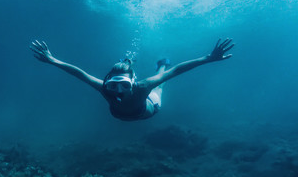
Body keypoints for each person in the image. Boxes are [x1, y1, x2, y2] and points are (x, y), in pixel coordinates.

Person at [30, 38, 234, 121]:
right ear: (107, 82)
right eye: (113, 85)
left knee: (160, 83)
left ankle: (162, 62)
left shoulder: (141, 87)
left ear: (133, 83)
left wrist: (208, 58)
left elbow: (177, 71)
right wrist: (52, 60)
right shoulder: (105, 88)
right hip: (124, 113)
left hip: (149, 108)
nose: (118, 91)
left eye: (124, 85)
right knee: (157, 80)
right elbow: (79, 73)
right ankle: (134, 64)